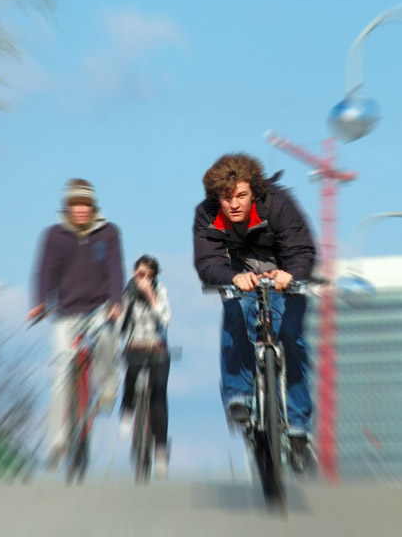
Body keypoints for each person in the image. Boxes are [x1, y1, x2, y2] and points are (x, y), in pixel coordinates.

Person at [193, 153, 316, 472]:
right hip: (240, 276)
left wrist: (292, 274)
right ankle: (239, 395)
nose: (233, 204)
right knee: (237, 311)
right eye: (226, 197)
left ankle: (299, 429)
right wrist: (232, 277)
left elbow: (301, 249)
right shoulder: (206, 215)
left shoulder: (279, 203)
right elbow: (207, 264)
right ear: (216, 197)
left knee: (291, 336)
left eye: (241, 196)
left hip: (284, 274)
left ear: (255, 192)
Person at [27, 178, 125, 468]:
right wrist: (40, 301)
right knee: (59, 370)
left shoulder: (108, 233)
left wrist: (116, 302)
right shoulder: (54, 236)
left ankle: (107, 387)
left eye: (86, 205)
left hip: (100, 308)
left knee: (107, 340)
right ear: (67, 208)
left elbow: (115, 269)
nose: (81, 210)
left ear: (93, 207)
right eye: (75, 205)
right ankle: (57, 438)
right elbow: (45, 271)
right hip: (66, 312)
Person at [117, 255, 171, 479]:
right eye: (141, 274)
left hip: (156, 347)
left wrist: (150, 296)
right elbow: (118, 324)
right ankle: (127, 411)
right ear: (134, 273)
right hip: (134, 346)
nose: (144, 279)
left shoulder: (160, 292)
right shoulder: (126, 292)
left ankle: (160, 449)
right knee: (130, 375)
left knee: (158, 394)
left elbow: (165, 319)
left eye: (149, 276)